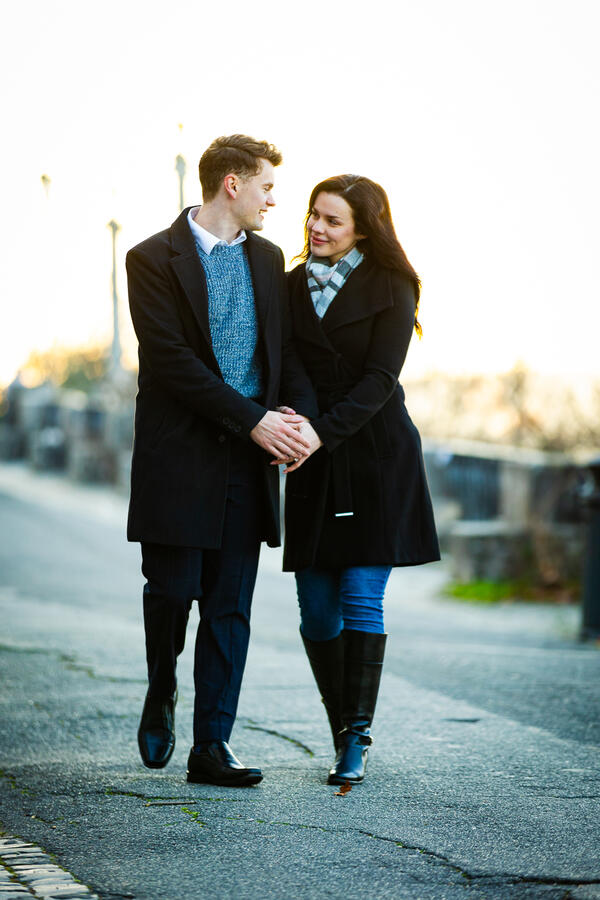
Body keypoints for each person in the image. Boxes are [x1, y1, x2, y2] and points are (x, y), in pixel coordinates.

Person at [126, 134, 317, 787]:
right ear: (232, 184)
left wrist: (294, 419)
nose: (274, 199)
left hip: (248, 463)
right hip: (177, 461)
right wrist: (253, 420)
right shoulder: (150, 258)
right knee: (173, 592)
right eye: (266, 185)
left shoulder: (268, 261)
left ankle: (212, 744)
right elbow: (172, 365)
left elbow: (282, 355)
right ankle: (161, 690)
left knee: (230, 607)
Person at [281, 175, 440, 785]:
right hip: (311, 457)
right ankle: (340, 724)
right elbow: (288, 361)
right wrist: (301, 426)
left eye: (333, 221)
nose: (317, 228)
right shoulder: (289, 286)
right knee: (317, 614)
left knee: (358, 598)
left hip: (377, 457)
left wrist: (322, 432)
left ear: (363, 229)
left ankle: (357, 737)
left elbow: (380, 380)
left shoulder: (393, 284)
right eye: (312, 216)